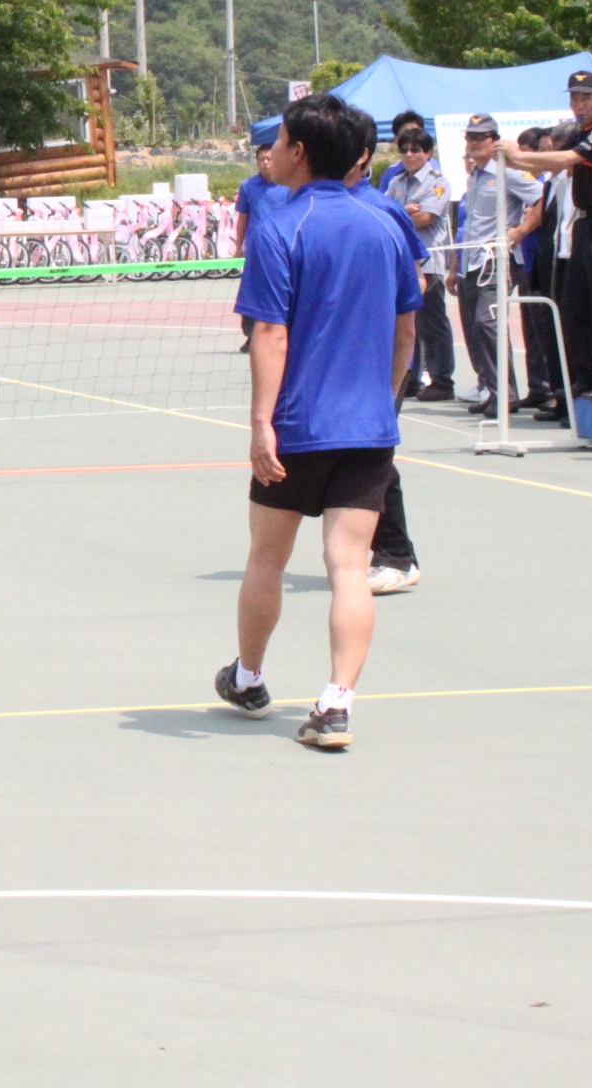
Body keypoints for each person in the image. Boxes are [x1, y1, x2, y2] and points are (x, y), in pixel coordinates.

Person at [215, 93, 421, 751]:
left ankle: (249, 678)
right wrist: (385, 400)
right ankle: (336, 703)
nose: (269, 153)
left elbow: (269, 333)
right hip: (369, 427)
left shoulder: (280, 227)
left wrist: (261, 423)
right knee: (349, 565)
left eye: (277, 142)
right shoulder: (386, 223)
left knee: (267, 557)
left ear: (299, 152)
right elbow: (406, 330)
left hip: (299, 425)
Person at [502, 70, 592, 402]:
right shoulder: (577, 133)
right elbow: (556, 164)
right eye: (575, 98)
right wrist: (510, 158)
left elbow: (570, 159)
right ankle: (586, 375)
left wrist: (519, 156)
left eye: (586, 97)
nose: (579, 104)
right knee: (574, 307)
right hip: (583, 224)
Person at [344, 112, 429, 594]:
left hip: (379, 357)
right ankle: (366, 549)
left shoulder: (382, 211)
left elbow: (415, 283)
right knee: (348, 455)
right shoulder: (305, 206)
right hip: (336, 358)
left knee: (373, 454)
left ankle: (396, 554)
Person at [453, 115, 543, 421]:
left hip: (496, 260)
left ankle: (505, 393)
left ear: (495, 141)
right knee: (472, 327)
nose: (475, 143)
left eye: (481, 137)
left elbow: (541, 198)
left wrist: (520, 231)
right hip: (471, 260)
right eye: (471, 137)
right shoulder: (474, 176)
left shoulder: (508, 172)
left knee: (487, 322)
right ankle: (492, 389)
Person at [386, 128, 454, 401]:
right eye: (404, 150)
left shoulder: (437, 182)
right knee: (405, 321)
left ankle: (442, 379)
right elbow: (382, 214)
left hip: (428, 261)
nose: (409, 155)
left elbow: (426, 218)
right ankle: (409, 377)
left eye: (415, 150)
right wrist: (404, 213)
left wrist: (397, 215)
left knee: (432, 322)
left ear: (428, 153)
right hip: (401, 262)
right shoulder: (397, 181)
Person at [512, 127, 569, 419]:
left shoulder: (559, 182)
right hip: (532, 262)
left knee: (554, 331)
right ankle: (543, 389)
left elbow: (540, 216)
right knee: (535, 332)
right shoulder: (547, 183)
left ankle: (558, 395)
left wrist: (522, 227)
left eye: (549, 150)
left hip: (552, 265)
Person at [232, 142, 281, 351]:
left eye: (269, 159)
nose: (266, 163)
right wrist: (238, 245)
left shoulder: (287, 186)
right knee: (251, 292)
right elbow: (242, 217)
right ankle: (251, 335)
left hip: (281, 250)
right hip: (256, 250)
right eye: (262, 159)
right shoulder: (248, 186)